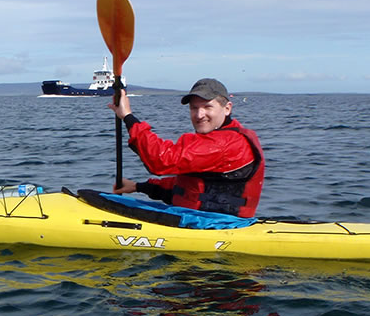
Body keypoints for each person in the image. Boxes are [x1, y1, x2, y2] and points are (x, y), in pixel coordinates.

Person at [106, 77, 265, 218]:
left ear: (227, 108)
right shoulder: (219, 138)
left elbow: (162, 160)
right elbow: (187, 185)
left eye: (208, 107)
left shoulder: (227, 143)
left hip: (217, 225)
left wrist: (128, 117)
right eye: (194, 108)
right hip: (200, 218)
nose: (199, 114)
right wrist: (138, 187)